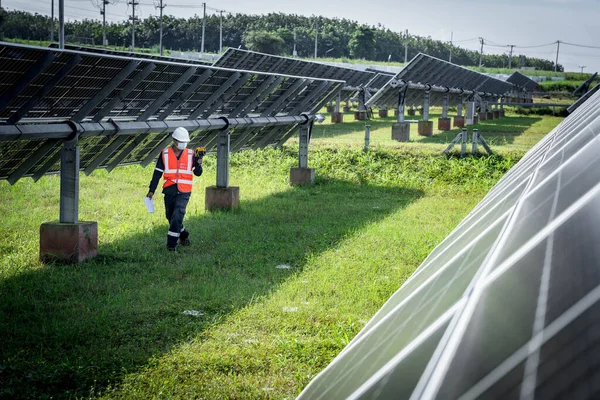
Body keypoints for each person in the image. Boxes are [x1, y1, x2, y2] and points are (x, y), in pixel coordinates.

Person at [146, 127, 203, 251]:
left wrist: (198, 163)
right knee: (170, 216)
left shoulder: (191, 154)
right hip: (169, 190)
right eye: (181, 141)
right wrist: (151, 190)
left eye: (185, 142)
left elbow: (198, 173)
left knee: (177, 216)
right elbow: (157, 173)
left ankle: (171, 246)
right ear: (174, 141)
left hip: (184, 191)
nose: (183, 144)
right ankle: (184, 235)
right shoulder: (165, 154)